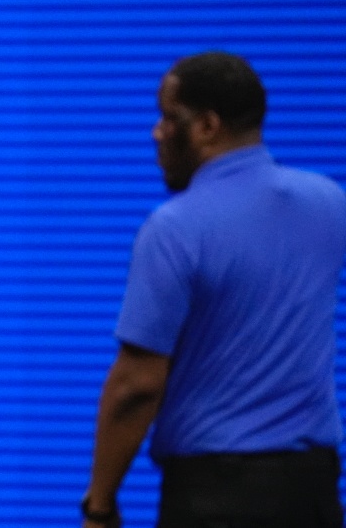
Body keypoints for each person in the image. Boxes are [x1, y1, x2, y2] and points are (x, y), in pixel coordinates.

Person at [80, 51, 346, 528]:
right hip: (314, 493)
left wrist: (99, 503)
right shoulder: (329, 203)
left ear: (206, 126)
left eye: (167, 117)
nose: (156, 132)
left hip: (216, 499)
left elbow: (136, 387)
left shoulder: (175, 229)